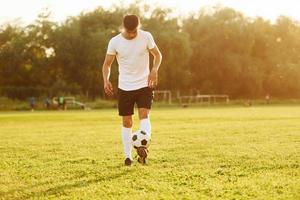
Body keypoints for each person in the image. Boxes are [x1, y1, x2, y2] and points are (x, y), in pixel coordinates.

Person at [102, 14, 162, 166]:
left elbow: (157, 55)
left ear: (138, 26)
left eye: (134, 31)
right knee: (127, 121)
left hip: (144, 83)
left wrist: (154, 70)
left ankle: (142, 146)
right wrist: (106, 79)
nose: (132, 34)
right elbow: (107, 64)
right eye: (129, 32)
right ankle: (128, 157)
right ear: (123, 28)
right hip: (125, 86)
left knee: (144, 114)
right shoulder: (115, 42)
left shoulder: (146, 37)